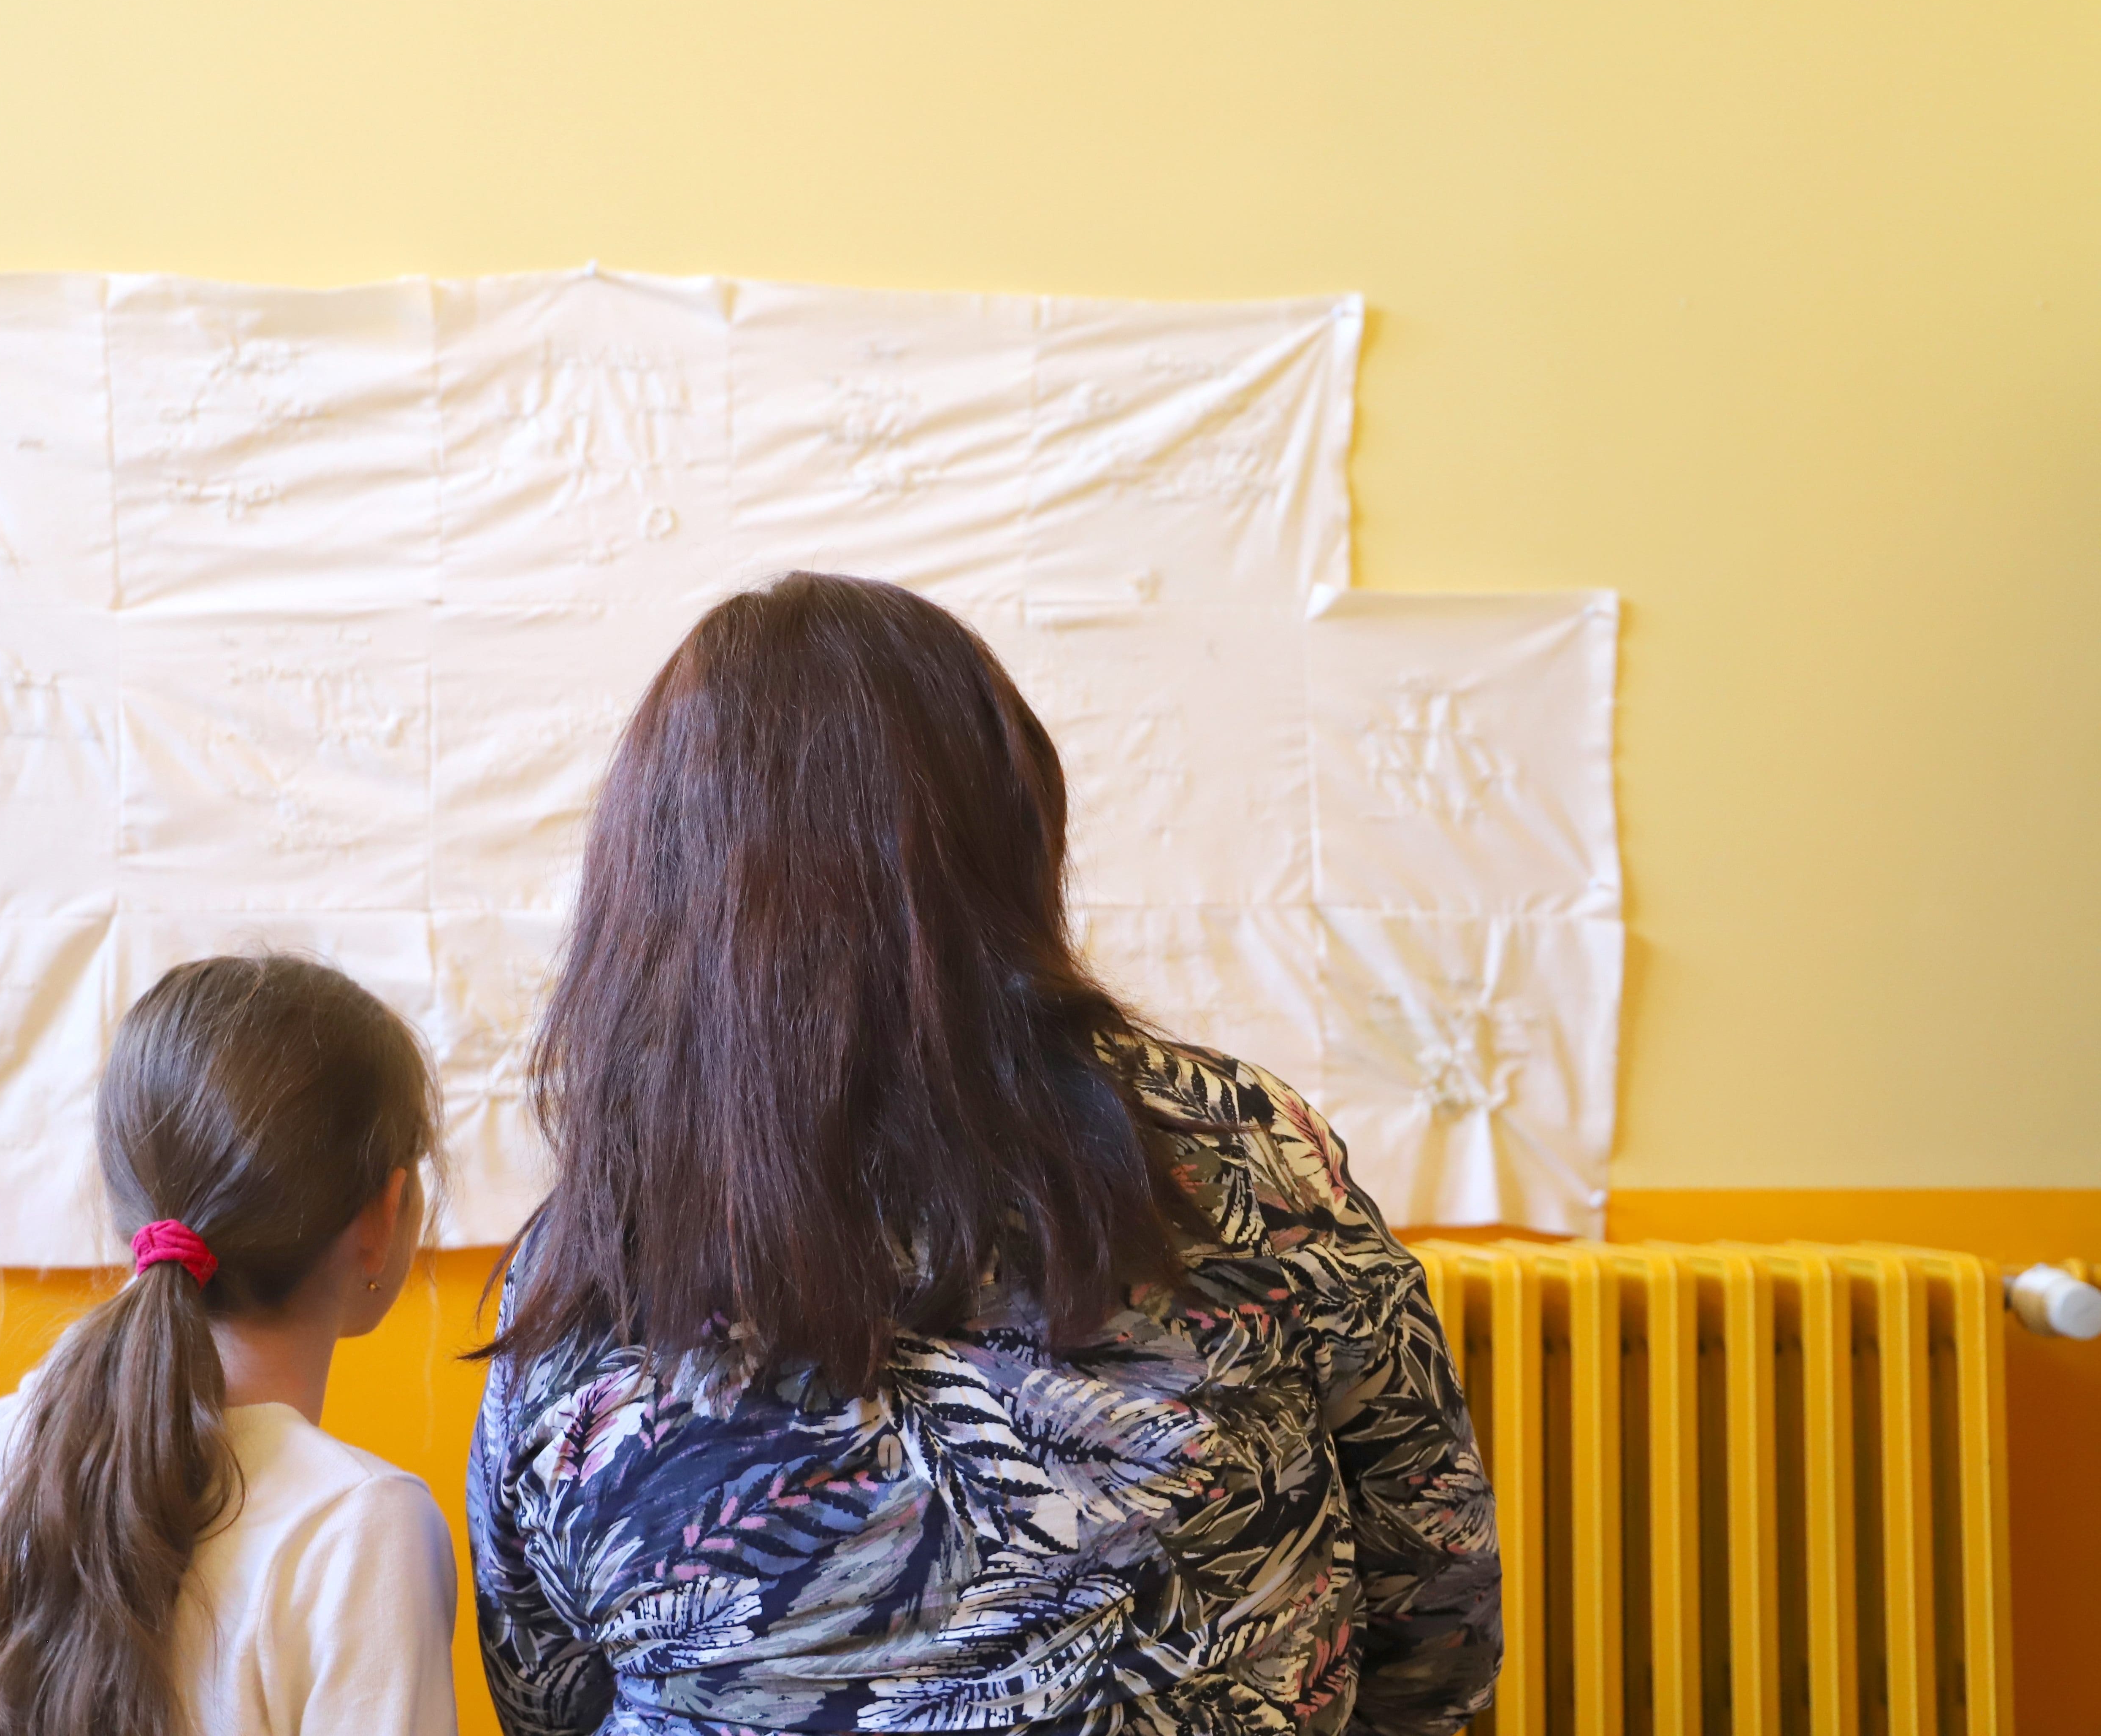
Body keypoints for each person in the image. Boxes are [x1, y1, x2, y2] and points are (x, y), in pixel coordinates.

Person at [468, 573, 1501, 1736]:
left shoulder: (592, 1260)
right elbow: (1437, 1613)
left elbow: (545, 1696)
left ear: (652, 885)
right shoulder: (1243, 1158)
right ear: (1012, 834)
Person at [0, 955, 458, 1736]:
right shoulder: (362, 1526)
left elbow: (74, 1368)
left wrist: (172, 1242)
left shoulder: (39, 1441)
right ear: (382, 1216)